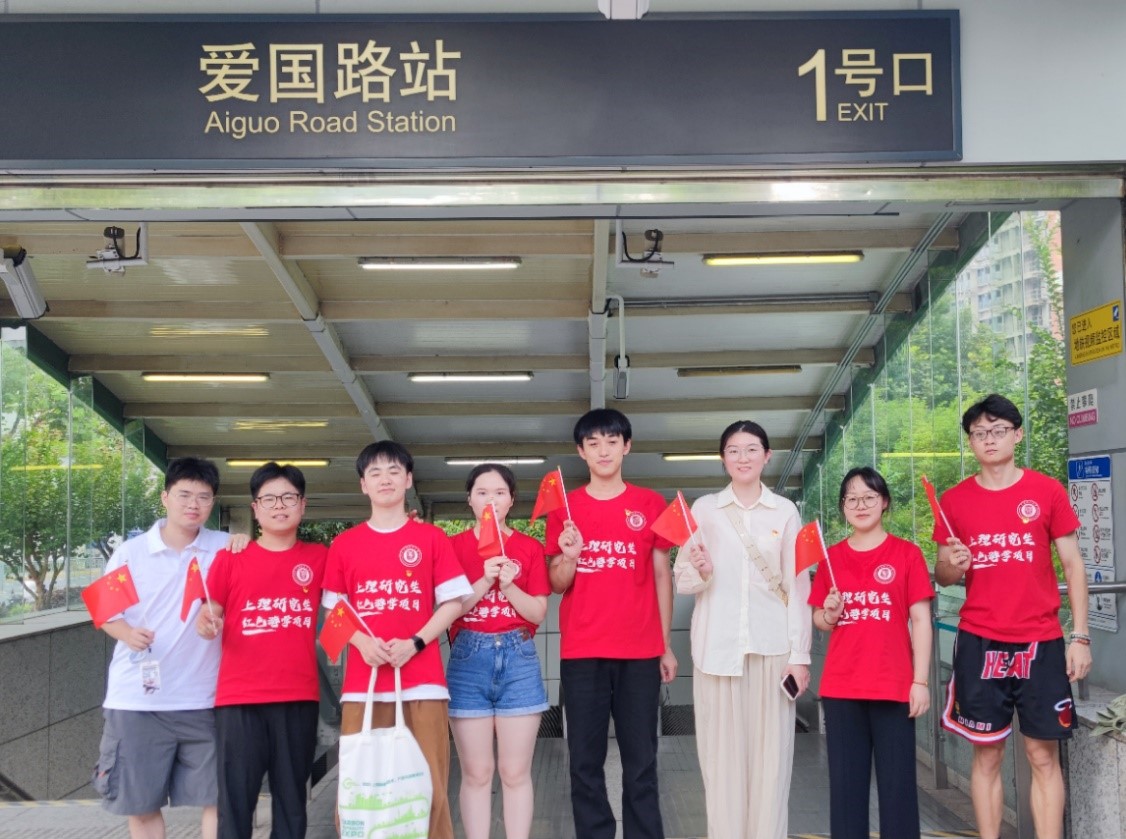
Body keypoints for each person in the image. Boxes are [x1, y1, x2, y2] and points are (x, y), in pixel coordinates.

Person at [934, 393, 1091, 839]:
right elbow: (943, 574)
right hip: (980, 639)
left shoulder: (1046, 491)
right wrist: (954, 565)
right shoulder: (954, 500)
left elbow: (1073, 566)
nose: (989, 439)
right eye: (979, 433)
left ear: (1017, 435)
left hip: (1041, 640)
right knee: (987, 755)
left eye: (999, 430)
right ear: (970, 441)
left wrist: (1080, 637)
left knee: (1043, 755)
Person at [321, 440, 472, 839]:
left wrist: (415, 643)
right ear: (363, 485)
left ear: (408, 479)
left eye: (393, 471)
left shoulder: (432, 539)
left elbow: (453, 603)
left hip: (422, 683)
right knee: (360, 787)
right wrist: (362, 643)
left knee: (429, 786)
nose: (385, 479)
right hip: (363, 687)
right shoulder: (345, 544)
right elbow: (333, 612)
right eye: (375, 472)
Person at [672, 419, 811, 839]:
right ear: (723, 459)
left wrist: (800, 656)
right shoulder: (704, 510)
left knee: (772, 765)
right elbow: (683, 581)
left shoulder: (785, 511)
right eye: (733, 450)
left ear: (767, 456)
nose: (743, 457)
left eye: (752, 449)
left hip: (773, 653)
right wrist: (702, 571)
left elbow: (798, 586)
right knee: (721, 766)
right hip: (717, 653)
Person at [545, 408, 677, 839]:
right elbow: (557, 583)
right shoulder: (566, 509)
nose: (604, 451)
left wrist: (665, 645)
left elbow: (662, 575)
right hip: (583, 652)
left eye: (612, 441)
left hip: (640, 653)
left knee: (642, 761)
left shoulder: (649, 504)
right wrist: (570, 556)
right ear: (581, 451)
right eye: (594, 443)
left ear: (627, 446)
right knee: (584, 763)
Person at [92, 457, 237, 839]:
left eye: (203, 497)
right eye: (184, 495)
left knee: (221, 800)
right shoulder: (131, 552)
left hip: (206, 699)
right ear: (165, 497)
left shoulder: (225, 548)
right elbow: (105, 613)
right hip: (138, 702)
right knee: (140, 804)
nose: (193, 504)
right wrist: (127, 633)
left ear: (213, 502)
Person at [195, 462, 327, 839]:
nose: (279, 505)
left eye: (288, 497)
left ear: (302, 504)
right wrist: (206, 623)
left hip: (298, 697)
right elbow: (210, 612)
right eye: (269, 499)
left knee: (292, 803)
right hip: (239, 700)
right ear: (255, 508)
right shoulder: (230, 558)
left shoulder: (320, 557)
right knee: (235, 804)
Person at [810, 466, 934, 839]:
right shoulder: (830, 559)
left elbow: (921, 620)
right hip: (842, 688)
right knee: (846, 791)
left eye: (868, 497)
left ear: (884, 502)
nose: (860, 505)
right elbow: (819, 620)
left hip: (894, 686)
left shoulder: (907, 554)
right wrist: (829, 613)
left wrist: (920, 681)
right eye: (851, 499)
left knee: (898, 790)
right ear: (842, 507)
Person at [446, 463, 550, 839]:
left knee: (514, 771)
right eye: (482, 493)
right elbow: (446, 612)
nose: (491, 500)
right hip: (467, 660)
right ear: (469, 500)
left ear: (511, 500)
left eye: (499, 493)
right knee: (476, 773)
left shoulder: (529, 548)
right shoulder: (452, 548)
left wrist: (507, 586)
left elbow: (537, 612)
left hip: (518, 659)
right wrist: (483, 579)